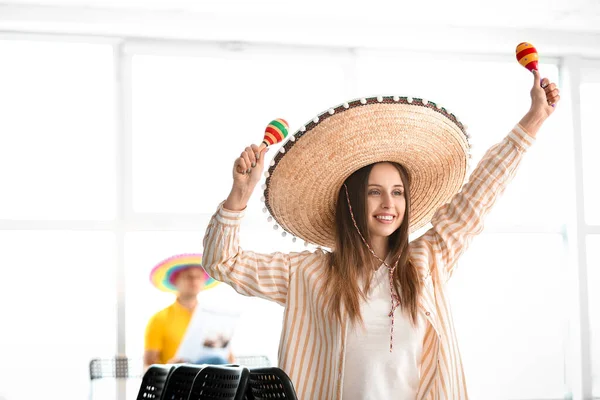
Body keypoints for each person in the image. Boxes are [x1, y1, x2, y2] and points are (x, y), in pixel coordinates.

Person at [202, 70, 560, 399]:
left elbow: (480, 193)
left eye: (397, 191)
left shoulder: (429, 259)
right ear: (352, 201)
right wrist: (239, 195)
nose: (388, 202)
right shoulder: (307, 274)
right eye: (374, 191)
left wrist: (535, 118)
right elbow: (222, 262)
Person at [143, 253, 234, 370]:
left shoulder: (213, 318)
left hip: (212, 378)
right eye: (189, 277)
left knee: (219, 362)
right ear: (175, 281)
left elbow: (230, 360)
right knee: (217, 361)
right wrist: (168, 367)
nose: (194, 281)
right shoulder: (159, 319)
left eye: (198, 277)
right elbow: (148, 367)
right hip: (176, 379)